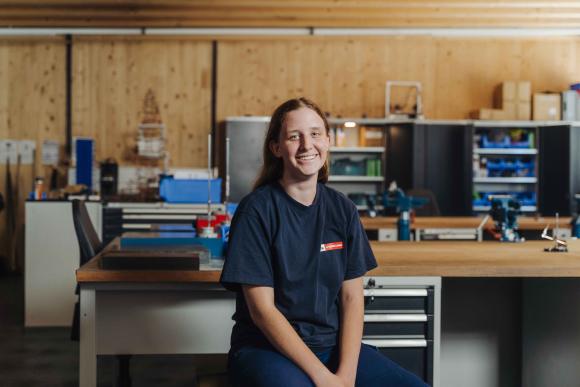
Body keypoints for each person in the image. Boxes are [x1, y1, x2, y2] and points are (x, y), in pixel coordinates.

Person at [220, 97, 428, 387]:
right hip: (267, 350)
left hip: (332, 348)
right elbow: (262, 311)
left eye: (315, 134)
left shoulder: (342, 209)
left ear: (328, 141)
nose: (307, 145)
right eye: (295, 136)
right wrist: (324, 379)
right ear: (276, 148)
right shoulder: (256, 210)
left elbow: (352, 299)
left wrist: (345, 375)